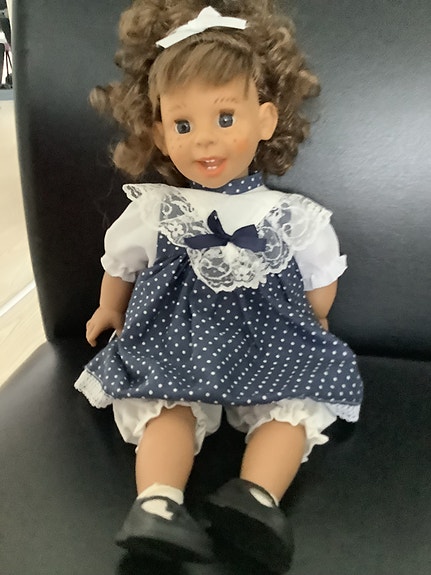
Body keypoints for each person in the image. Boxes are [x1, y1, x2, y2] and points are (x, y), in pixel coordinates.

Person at [75, 1, 363, 571]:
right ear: (160, 134)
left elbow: (321, 273)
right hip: (179, 340)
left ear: (265, 120)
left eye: (225, 118)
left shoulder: (288, 215)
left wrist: (315, 318)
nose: (205, 141)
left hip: (269, 340)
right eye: (184, 125)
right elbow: (121, 264)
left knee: (291, 405)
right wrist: (110, 308)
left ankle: (255, 497)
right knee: (167, 407)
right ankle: (157, 503)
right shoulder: (158, 209)